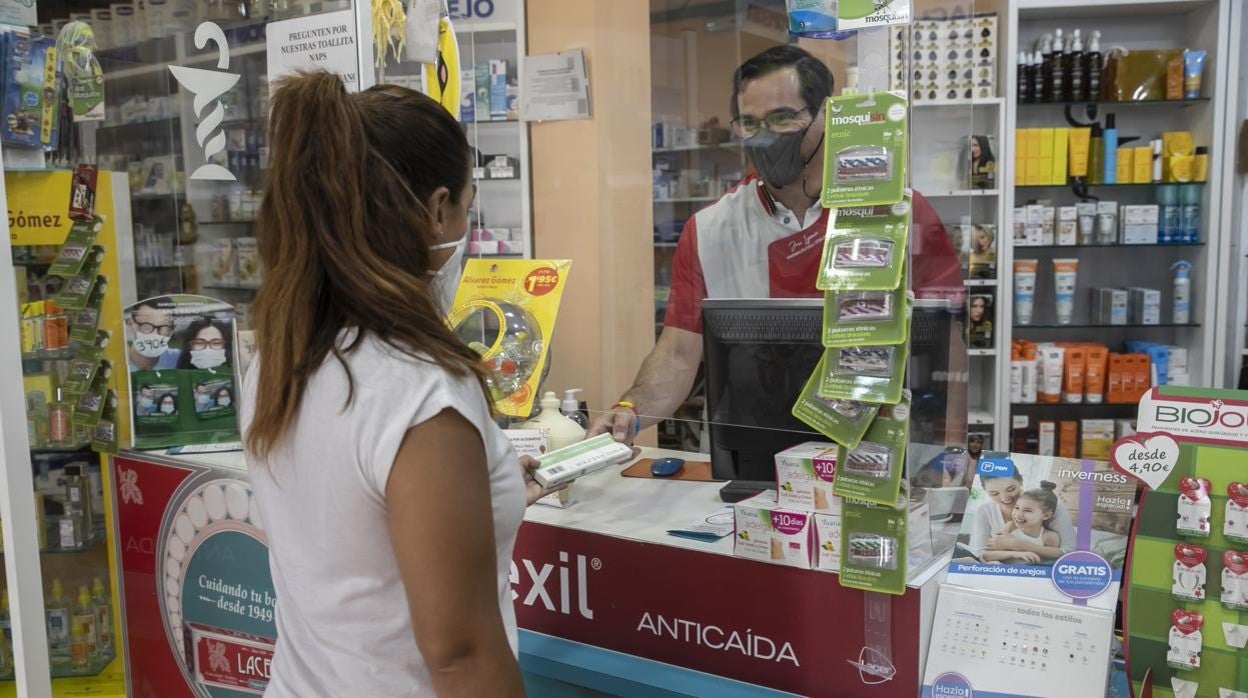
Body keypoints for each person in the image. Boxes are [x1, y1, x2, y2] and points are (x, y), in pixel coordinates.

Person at [240, 73, 558, 697]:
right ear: (438, 208)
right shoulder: (420, 386)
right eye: (468, 203)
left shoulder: (281, 357)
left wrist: (482, 481)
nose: (466, 221)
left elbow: (351, 515)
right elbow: (462, 655)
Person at [592, 45, 962, 441]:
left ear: (827, 113)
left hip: (873, 454)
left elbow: (949, 336)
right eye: (749, 123)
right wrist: (628, 410)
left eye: (783, 118)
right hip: (754, 452)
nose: (765, 137)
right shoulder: (710, 229)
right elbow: (679, 353)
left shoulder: (897, 211)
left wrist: (953, 445)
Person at [967, 466, 1076, 561]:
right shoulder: (985, 511)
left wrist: (1016, 544)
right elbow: (979, 553)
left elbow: (1069, 552)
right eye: (994, 493)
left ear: (1021, 481)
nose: (1005, 498)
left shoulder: (1051, 507)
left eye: (1011, 489)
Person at [981, 481, 1061, 564]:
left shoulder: (1049, 537)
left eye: (1027, 510)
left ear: (1046, 516)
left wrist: (1019, 546)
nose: (1018, 514)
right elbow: (986, 556)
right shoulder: (1010, 527)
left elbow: (1054, 560)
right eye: (1017, 507)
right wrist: (1015, 554)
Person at [126, 298, 181, 371]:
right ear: (130, 324)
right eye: (146, 326)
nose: (154, 334)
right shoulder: (117, 363)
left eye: (163, 327)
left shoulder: (181, 360)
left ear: (172, 330)